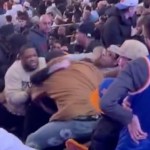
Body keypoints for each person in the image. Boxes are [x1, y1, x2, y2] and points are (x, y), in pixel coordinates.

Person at [25, 48, 105, 150]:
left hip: (79, 123)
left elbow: (33, 96)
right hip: (102, 121)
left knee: (31, 141)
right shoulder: (89, 67)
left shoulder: (48, 78)